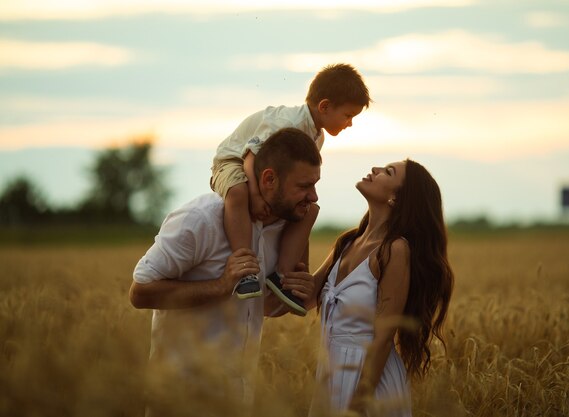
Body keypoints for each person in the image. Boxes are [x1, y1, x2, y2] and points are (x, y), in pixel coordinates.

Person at [129, 128, 321, 417]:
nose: (313, 195)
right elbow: (139, 293)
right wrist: (221, 285)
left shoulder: (283, 232)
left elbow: (262, 307)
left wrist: (291, 294)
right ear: (269, 179)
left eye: (316, 184)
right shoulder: (199, 219)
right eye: (304, 186)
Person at [210, 63, 371, 310]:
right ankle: (246, 270)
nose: (349, 123)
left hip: (266, 173)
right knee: (238, 192)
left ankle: (283, 276)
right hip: (234, 161)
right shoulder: (287, 122)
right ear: (325, 106)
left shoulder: (317, 136)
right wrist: (255, 194)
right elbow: (251, 155)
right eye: (348, 115)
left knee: (309, 209)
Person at [306, 159, 454, 416]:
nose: (375, 169)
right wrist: (302, 222)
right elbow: (306, 297)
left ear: (396, 197)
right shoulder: (349, 242)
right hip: (330, 377)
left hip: (369, 384)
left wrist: (358, 403)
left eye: (388, 172)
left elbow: (384, 337)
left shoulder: (394, 250)